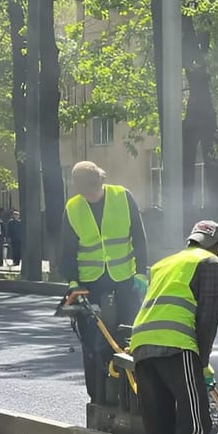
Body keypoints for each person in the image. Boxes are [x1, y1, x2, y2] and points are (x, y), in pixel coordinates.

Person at [129, 220, 218, 434]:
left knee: (160, 421)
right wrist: (203, 362)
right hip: (176, 343)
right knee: (198, 423)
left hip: (142, 342)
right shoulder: (211, 263)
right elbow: (208, 317)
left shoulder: (163, 264)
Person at [60, 161, 149, 403]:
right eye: (85, 192)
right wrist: (73, 282)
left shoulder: (123, 197)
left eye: (93, 190)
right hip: (91, 284)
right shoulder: (74, 207)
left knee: (130, 337)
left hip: (125, 280)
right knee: (92, 342)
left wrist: (142, 272)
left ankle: (131, 395)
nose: (90, 196)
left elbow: (139, 238)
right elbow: (67, 252)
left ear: (101, 181)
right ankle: (98, 397)